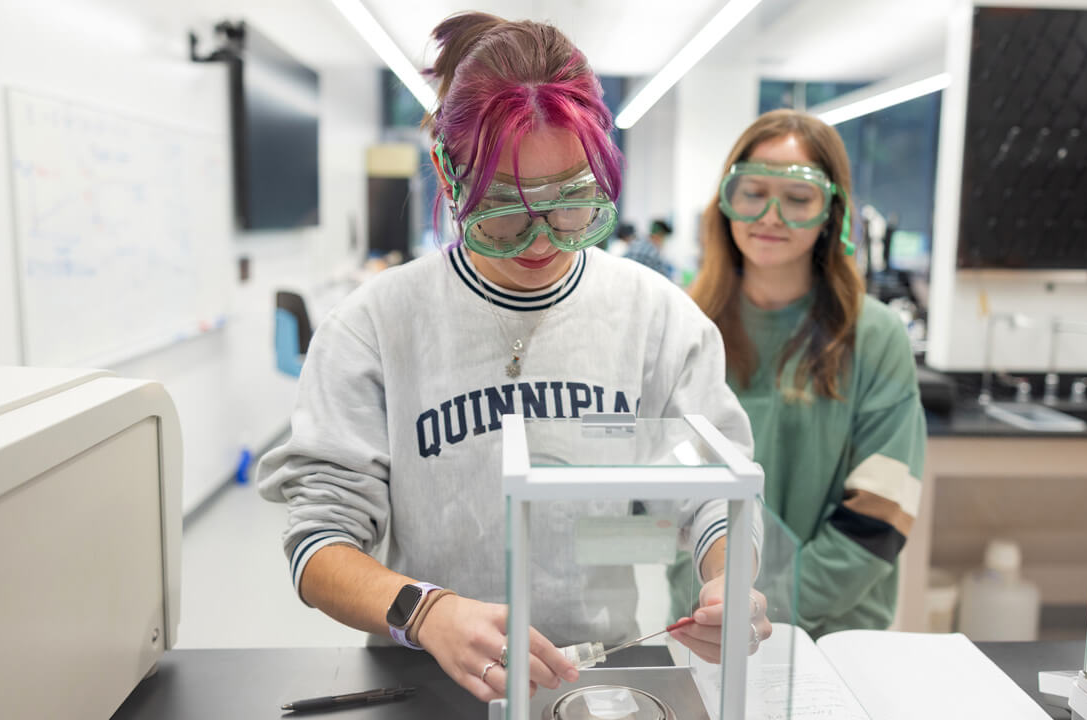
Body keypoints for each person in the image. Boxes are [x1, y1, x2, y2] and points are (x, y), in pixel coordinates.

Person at [258, 12, 768, 704]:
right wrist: (426, 611)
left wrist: (727, 583)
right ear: (446, 169)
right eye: (503, 208)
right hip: (427, 680)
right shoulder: (375, 324)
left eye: (571, 204)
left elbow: (713, 492)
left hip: (603, 678)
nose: (540, 240)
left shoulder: (658, 317)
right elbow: (319, 544)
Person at [675, 109, 926, 637]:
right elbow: (657, 493)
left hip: (832, 635)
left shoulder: (873, 336)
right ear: (725, 201)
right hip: (701, 628)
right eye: (752, 192)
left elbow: (880, 515)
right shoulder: (685, 326)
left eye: (797, 198)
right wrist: (717, 608)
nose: (770, 215)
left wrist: (770, 610)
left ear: (830, 212)